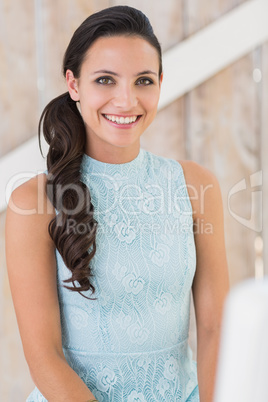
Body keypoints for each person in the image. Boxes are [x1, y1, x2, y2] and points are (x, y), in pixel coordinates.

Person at [5, 5, 230, 402]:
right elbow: (44, 355)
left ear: (160, 82)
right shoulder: (33, 203)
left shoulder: (196, 186)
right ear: (74, 85)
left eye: (143, 80)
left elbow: (215, 327)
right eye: (105, 80)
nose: (126, 100)